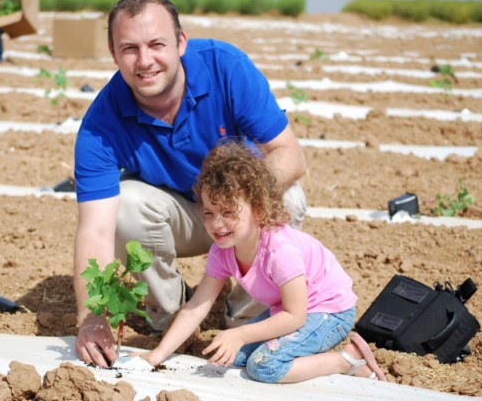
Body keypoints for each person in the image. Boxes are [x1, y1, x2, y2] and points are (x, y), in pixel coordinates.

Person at [73, 0, 308, 368]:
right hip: (179, 217)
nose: (144, 60)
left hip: (239, 210)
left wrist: (236, 203)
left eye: (157, 44)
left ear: (181, 42)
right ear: (113, 53)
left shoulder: (224, 67)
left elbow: (290, 154)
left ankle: (245, 317)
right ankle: (170, 321)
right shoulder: (101, 123)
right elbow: (96, 231)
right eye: (130, 48)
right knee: (126, 204)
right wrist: (91, 317)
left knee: (289, 199)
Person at [139, 141, 387, 383]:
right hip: (289, 310)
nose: (217, 223)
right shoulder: (222, 251)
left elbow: (295, 316)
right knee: (232, 357)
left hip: (329, 312)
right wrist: (157, 356)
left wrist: (240, 333)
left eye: (228, 212)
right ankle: (304, 352)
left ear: (258, 209)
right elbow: (196, 307)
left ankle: (347, 360)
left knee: (263, 366)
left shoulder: (280, 252)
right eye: (209, 213)